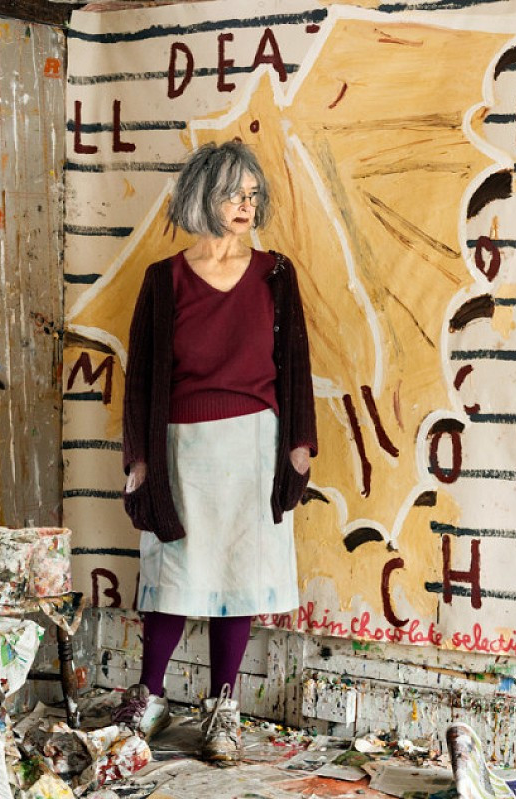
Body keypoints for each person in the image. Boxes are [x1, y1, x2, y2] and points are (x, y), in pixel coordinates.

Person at [114, 140, 317, 762]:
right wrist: (141, 465)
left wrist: (300, 447)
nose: (245, 205)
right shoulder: (163, 280)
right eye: (233, 193)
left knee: (238, 580)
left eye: (253, 194)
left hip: (255, 446)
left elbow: (295, 365)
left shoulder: (276, 274)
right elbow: (143, 376)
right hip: (181, 448)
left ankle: (223, 710)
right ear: (202, 197)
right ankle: (150, 697)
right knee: (174, 578)